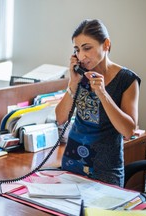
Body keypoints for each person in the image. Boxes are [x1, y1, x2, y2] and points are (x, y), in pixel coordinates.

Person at [55, 19, 141, 187]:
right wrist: (72, 84)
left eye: (87, 48)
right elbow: (60, 118)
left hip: (106, 169)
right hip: (73, 161)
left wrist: (102, 93)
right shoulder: (80, 76)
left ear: (106, 44)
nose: (81, 56)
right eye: (77, 50)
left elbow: (128, 130)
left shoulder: (127, 80)